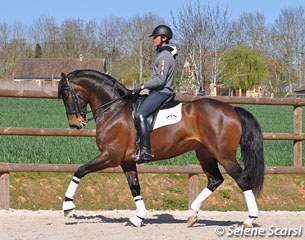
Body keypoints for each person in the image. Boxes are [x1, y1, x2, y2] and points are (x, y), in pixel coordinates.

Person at [131, 24, 178, 163]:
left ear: (164, 38)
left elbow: (160, 80)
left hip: (162, 92)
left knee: (140, 114)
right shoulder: (162, 54)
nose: (153, 39)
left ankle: (145, 151)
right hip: (157, 92)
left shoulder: (164, 56)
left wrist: (143, 85)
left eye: (155, 37)